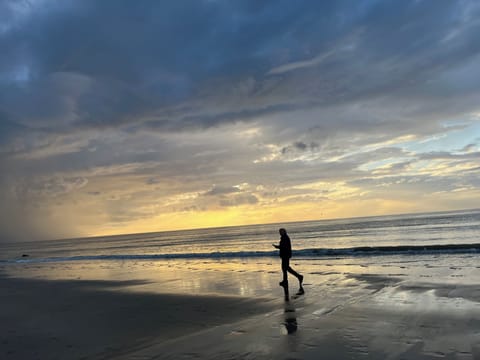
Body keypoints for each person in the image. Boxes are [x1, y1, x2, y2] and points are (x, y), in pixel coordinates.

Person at [272, 228, 304, 294]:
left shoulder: (285, 238)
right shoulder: (284, 237)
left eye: (281, 232)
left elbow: (283, 247)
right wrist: (278, 247)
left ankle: (299, 276)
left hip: (285, 255)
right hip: (285, 255)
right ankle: (285, 281)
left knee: (286, 268)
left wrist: (277, 247)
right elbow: (283, 246)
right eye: (280, 232)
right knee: (285, 268)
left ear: (284, 232)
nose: (280, 233)